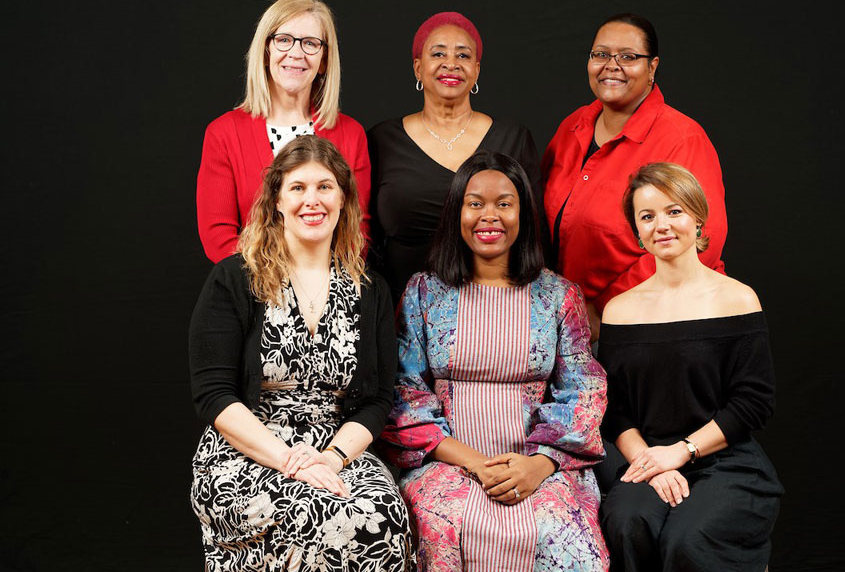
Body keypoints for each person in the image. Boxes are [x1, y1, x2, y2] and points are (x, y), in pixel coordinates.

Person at [380, 151, 610, 571]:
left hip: (542, 467)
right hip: (446, 465)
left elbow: (585, 392)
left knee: (564, 534)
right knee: (441, 523)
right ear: (457, 213)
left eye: (504, 203)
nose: (490, 216)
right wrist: (477, 465)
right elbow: (404, 393)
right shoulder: (423, 293)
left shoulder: (560, 296)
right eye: (475, 204)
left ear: (523, 213)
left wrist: (537, 466)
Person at [189, 136, 411, 570]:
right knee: (310, 513)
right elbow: (213, 394)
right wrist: (291, 462)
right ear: (276, 200)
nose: (313, 200)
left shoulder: (371, 290)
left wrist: (330, 459)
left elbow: (378, 399)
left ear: (344, 199)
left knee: (384, 516)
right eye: (298, 187)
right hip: (247, 448)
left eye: (325, 187)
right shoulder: (234, 279)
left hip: (335, 449)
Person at [597, 162, 782, 572]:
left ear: (697, 218)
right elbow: (613, 408)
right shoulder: (619, 311)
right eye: (647, 217)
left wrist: (681, 453)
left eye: (673, 211)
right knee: (629, 522)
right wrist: (651, 461)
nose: (661, 225)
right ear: (637, 232)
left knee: (689, 539)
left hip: (723, 457)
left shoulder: (737, 299)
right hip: (644, 456)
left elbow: (754, 402)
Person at [541, 13, 727, 339]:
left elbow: (701, 242)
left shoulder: (681, 138)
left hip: (653, 326)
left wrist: (607, 309)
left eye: (628, 57)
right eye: (600, 54)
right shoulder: (573, 127)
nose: (611, 65)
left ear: (652, 67)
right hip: (568, 325)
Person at [367, 11, 543, 304]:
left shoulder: (513, 138)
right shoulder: (381, 141)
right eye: (438, 53)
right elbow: (364, 235)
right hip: (400, 311)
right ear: (418, 68)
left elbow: (536, 235)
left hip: (500, 309)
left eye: (463, 56)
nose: (451, 63)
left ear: (476, 70)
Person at [197, 0, 370, 263]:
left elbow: (358, 230)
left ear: (324, 60)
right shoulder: (224, 133)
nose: (296, 53)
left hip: (329, 292)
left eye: (311, 43)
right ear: (266, 51)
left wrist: (316, 283)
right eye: (284, 40)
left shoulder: (350, 134)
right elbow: (218, 237)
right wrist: (278, 282)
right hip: (252, 291)